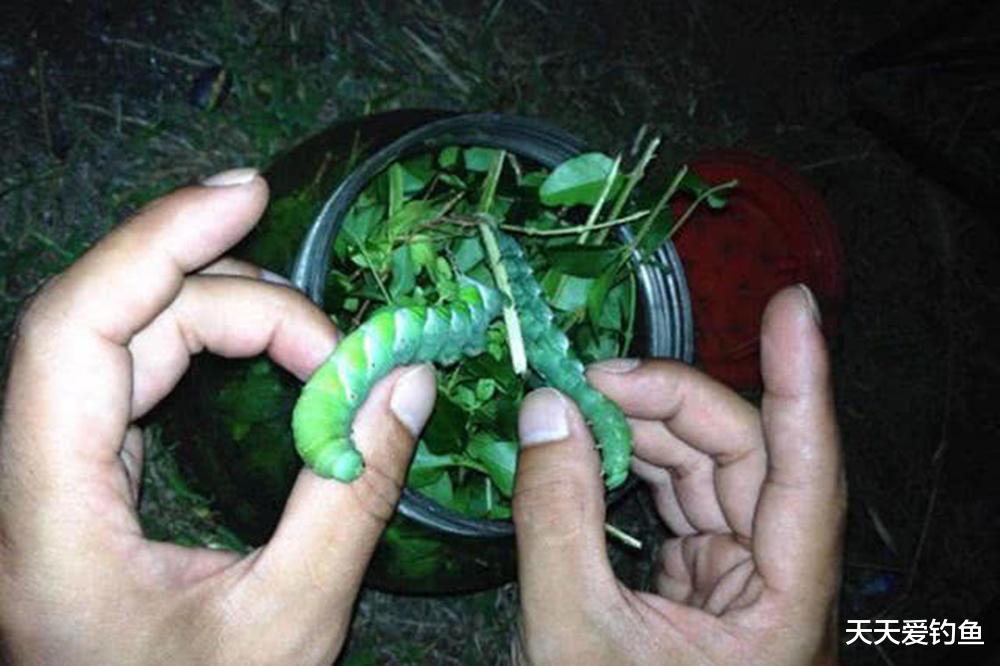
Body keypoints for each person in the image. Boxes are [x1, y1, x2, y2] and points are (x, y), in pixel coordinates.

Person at [0, 169, 845, 665]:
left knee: (495, 335)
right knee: (450, 334)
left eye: (333, 448)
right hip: (463, 315)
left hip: (488, 308)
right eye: (337, 450)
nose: (345, 462)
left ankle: (532, 345)